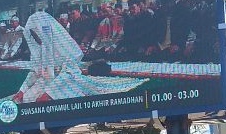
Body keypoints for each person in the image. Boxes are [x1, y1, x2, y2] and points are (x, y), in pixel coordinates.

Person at [10, 9, 149, 104]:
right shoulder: (38, 47)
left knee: (41, 101)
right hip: (49, 80)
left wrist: (50, 93)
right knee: (26, 99)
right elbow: (35, 72)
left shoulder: (61, 46)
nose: (36, 38)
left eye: (37, 34)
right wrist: (21, 91)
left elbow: (69, 72)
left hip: (66, 81)